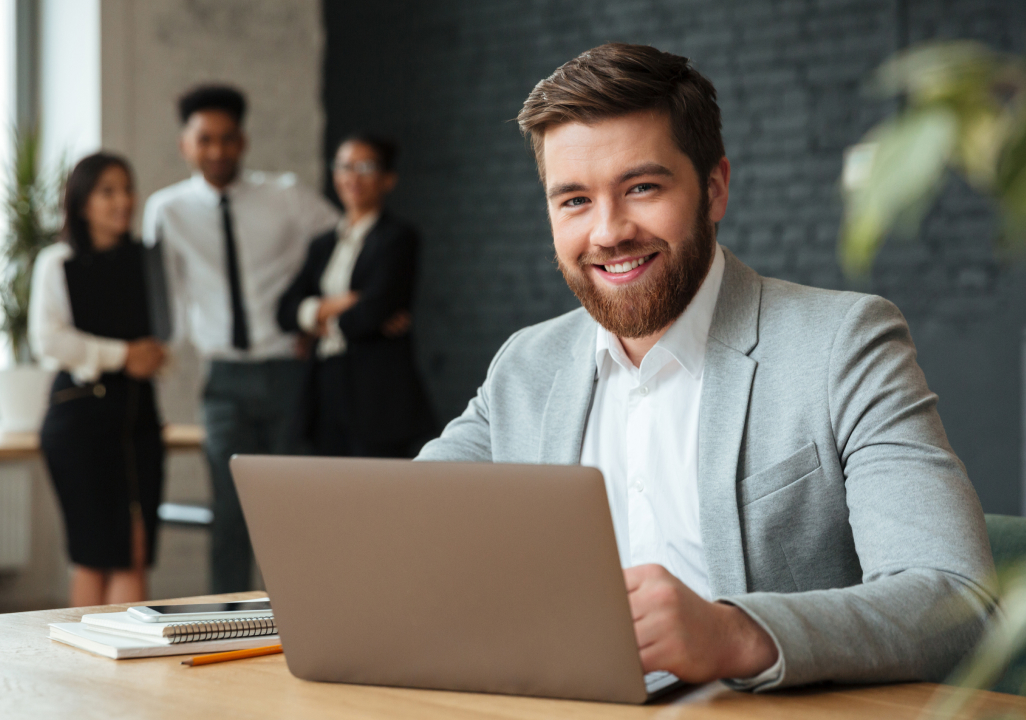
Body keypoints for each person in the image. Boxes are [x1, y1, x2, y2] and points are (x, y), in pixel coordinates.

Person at [416, 44, 997, 689]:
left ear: (714, 188)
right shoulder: (526, 365)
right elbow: (399, 528)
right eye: (574, 200)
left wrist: (733, 634)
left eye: (641, 187)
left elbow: (956, 603)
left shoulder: (843, 344)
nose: (608, 232)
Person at [142, 85, 341, 594]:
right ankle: (225, 628)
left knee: (292, 511)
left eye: (227, 139)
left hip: (287, 372)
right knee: (228, 516)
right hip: (223, 378)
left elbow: (343, 244)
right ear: (186, 144)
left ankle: (304, 621)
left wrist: (315, 316)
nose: (217, 151)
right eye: (205, 139)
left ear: (244, 141)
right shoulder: (167, 210)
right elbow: (163, 297)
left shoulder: (286, 195)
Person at [30, 153, 167, 606]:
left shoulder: (145, 260)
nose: (123, 200)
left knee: (134, 549)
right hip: (81, 418)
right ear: (82, 201)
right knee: (93, 552)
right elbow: (47, 338)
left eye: (127, 189)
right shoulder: (59, 260)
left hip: (138, 415)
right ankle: (82, 670)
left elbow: (167, 330)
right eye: (108, 190)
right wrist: (121, 355)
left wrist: (154, 355)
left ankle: (129, 670)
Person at [277, 135, 436, 457]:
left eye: (365, 167)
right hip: (326, 389)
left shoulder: (398, 239)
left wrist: (317, 324)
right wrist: (338, 305)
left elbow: (371, 313)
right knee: (328, 496)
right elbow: (283, 312)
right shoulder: (322, 244)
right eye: (345, 166)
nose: (353, 177)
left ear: (388, 179)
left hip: (378, 395)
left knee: (379, 499)